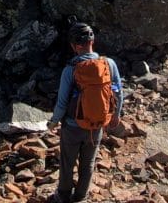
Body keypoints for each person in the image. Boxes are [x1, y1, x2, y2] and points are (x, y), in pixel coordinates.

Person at [47, 22, 123, 203]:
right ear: (92, 41)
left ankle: (63, 196)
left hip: (73, 126)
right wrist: (116, 114)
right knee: (88, 163)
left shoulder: (70, 70)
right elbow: (118, 92)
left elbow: (62, 102)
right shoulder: (108, 64)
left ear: (74, 46)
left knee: (67, 163)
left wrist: (54, 121)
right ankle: (81, 197)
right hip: (96, 124)